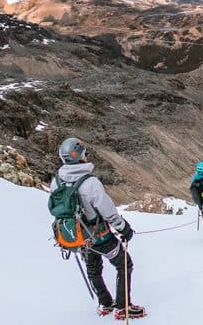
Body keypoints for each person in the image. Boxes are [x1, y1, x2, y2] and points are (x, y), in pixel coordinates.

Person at [51, 137, 146, 320]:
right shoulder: (90, 183)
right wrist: (123, 227)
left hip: (77, 237)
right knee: (124, 264)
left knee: (93, 268)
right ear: (80, 156)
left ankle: (105, 303)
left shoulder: (57, 182)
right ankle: (122, 307)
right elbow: (107, 210)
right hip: (99, 236)